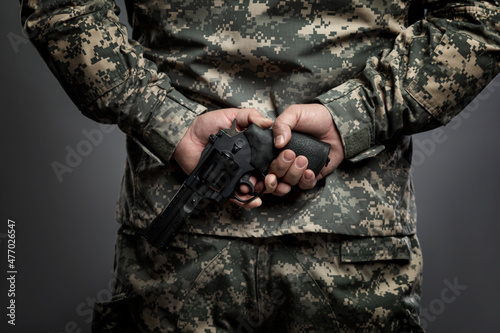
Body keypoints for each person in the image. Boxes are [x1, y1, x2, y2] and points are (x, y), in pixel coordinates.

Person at [20, 0, 500, 331]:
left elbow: (61, 9)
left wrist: (166, 120)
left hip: (180, 253)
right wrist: (355, 116)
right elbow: (480, 18)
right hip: (354, 246)